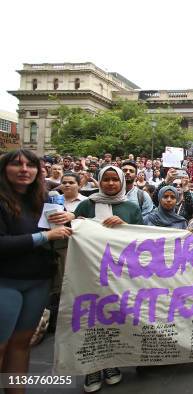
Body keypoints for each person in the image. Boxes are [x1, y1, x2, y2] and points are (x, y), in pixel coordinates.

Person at [0, 149, 73, 391]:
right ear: (4, 169)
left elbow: (60, 230)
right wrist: (44, 236)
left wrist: (71, 217)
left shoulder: (44, 200)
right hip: (6, 280)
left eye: (30, 165)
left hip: (38, 280)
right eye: (16, 165)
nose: (24, 170)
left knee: (21, 344)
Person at [73, 165, 143, 393]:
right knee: (90, 317)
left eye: (115, 180)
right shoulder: (87, 203)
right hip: (90, 271)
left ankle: (111, 363)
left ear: (122, 182)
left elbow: (143, 238)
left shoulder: (131, 207)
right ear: (100, 182)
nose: (111, 184)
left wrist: (126, 226)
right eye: (107, 180)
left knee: (114, 316)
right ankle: (92, 367)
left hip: (120, 273)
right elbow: (75, 229)